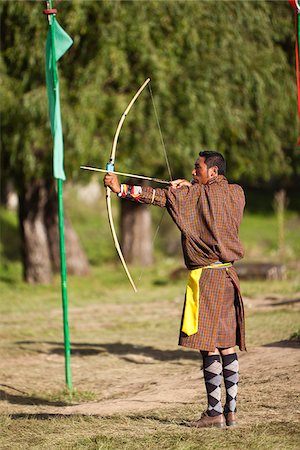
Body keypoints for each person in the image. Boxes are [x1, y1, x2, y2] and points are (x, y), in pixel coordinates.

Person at [104, 151, 246, 428]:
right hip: (229, 276)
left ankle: (214, 413)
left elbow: (157, 197)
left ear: (213, 172)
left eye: (198, 169)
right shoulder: (237, 193)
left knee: (208, 346)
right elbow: (210, 199)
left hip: (206, 280)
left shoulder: (191, 196)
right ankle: (231, 412)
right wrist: (192, 187)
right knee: (227, 344)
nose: (193, 172)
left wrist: (119, 188)